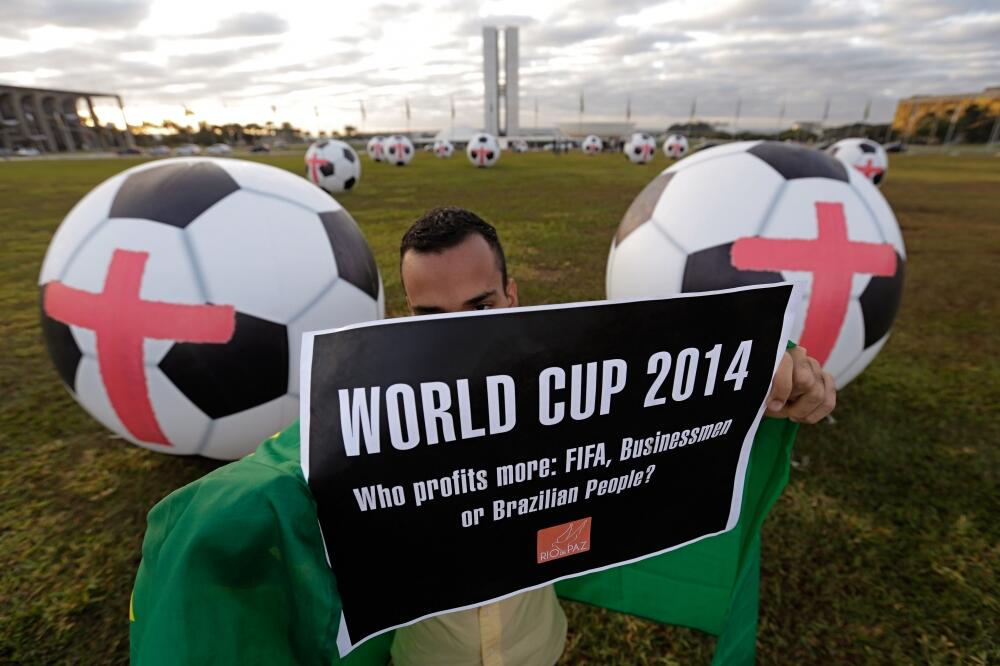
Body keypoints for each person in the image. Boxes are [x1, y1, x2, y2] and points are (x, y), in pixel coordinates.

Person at [130, 207, 835, 666]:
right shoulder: (376, 415)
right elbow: (289, 465)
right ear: (405, 318)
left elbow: (674, 384)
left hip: (537, 648)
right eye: (430, 312)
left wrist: (782, 371)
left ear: (513, 295)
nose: (456, 327)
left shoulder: (569, 386)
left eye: (480, 306)